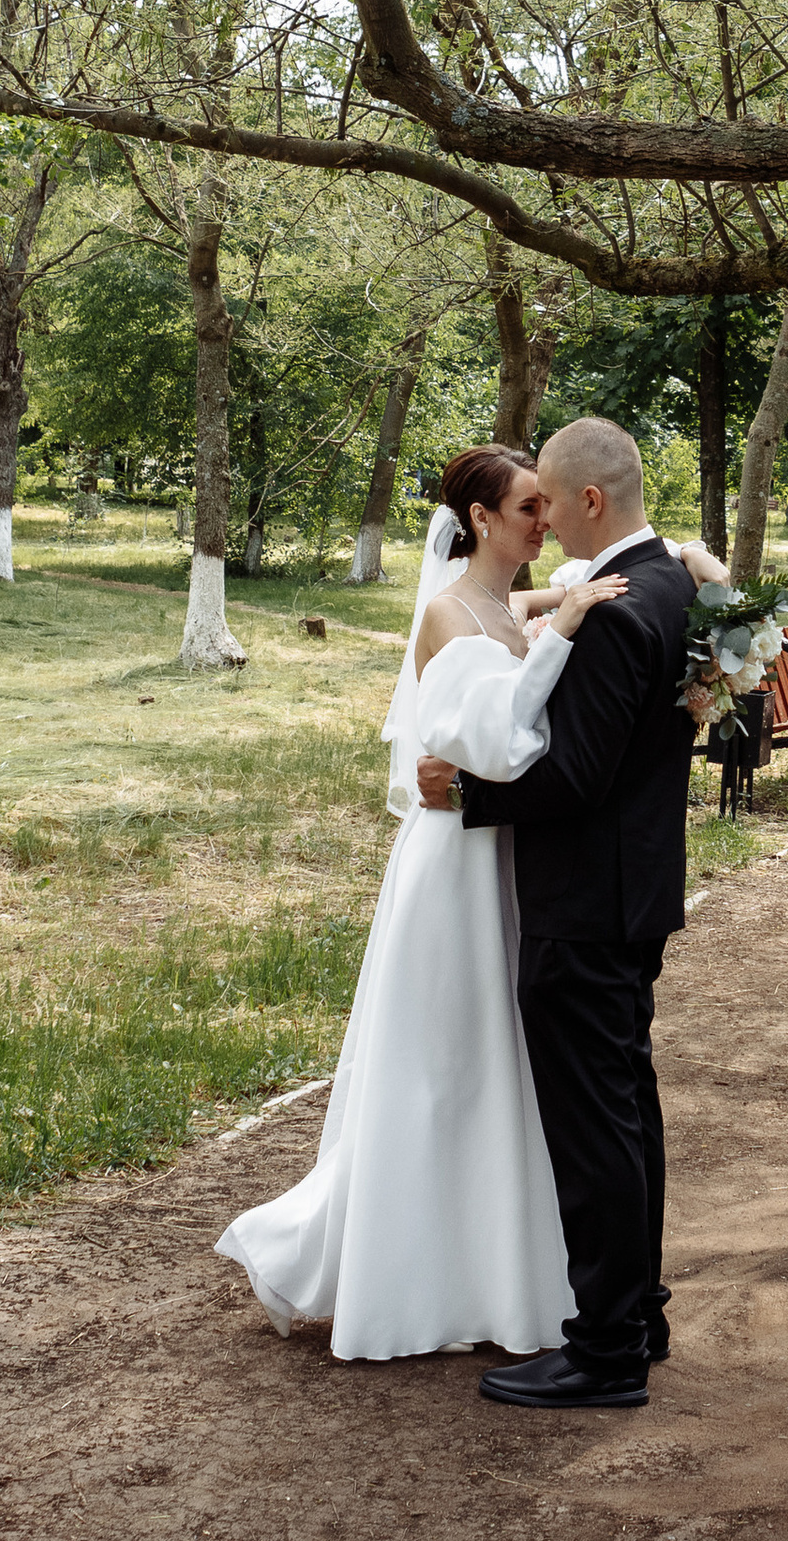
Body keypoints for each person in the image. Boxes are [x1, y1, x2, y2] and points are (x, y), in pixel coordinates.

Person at [214, 448, 631, 1360]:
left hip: (506, 857)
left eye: (550, 506)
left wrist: (678, 566)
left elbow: (563, 585)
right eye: (528, 507)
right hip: (455, 862)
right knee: (440, 1064)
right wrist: (561, 623)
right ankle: (406, 1277)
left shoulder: (501, 601)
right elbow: (498, 741)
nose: (545, 521)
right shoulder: (449, 611)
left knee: (500, 1066)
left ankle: (496, 1271)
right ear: (480, 519)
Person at [424, 416, 700, 1415]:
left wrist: (464, 795)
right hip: (635, 894)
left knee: (594, 1136)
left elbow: (573, 776)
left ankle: (605, 1352)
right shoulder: (674, 584)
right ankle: (640, 1316)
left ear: (590, 501)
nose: (542, 515)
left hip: (581, 906)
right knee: (627, 1113)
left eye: (549, 495)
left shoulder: (619, 609)